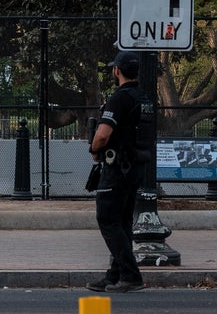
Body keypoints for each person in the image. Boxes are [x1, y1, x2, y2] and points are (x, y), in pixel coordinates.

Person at [86, 50, 152, 294]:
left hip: (118, 167)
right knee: (122, 223)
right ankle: (114, 275)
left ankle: (131, 275)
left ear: (117, 70)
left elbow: (103, 134)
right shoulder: (144, 99)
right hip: (136, 166)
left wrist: (94, 148)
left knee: (107, 219)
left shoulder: (119, 98)